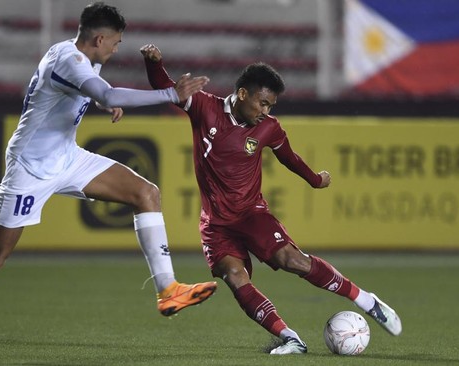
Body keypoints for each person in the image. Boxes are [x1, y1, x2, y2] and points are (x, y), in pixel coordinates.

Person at [0, 3, 217, 361]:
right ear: (99, 38)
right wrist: (169, 95)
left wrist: (103, 101)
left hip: (66, 157)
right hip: (30, 167)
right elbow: (107, 92)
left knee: (145, 193)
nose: (117, 49)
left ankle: (168, 290)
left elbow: (95, 91)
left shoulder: (86, 59)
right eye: (115, 42)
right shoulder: (67, 59)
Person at [140, 44, 402, 355]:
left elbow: (289, 158)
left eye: (271, 106)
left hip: (251, 214)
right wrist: (154, 63)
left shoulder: (268, 128)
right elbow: (165, 88)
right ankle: (291, 338)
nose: (266, 111)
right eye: (263, 103)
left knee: (293, 261)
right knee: (236, 279)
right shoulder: (204, 107)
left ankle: (366, 301)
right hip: (215, 225)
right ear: (242, 94)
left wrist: (315, 180)